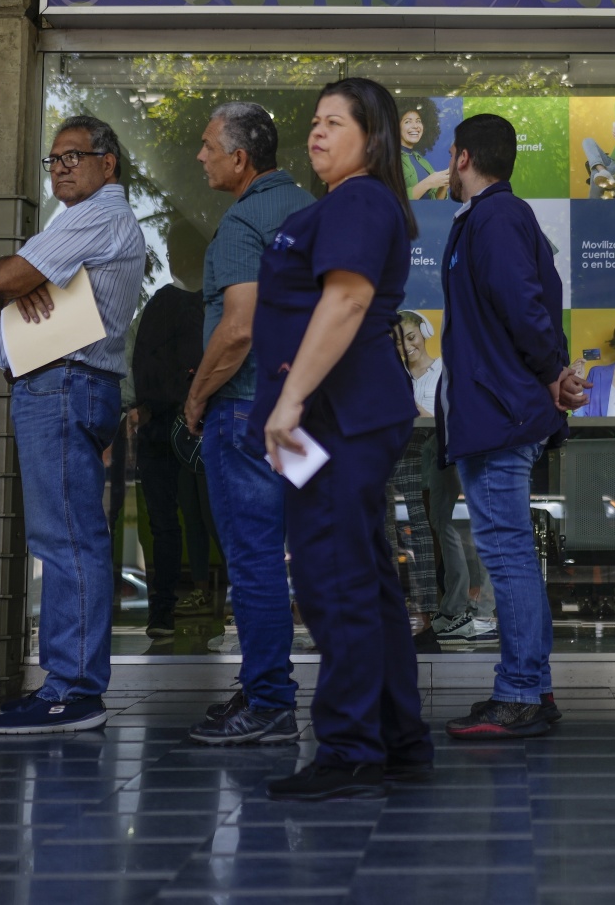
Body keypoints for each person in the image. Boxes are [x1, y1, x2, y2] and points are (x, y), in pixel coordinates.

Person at [253, 77, 431, 800]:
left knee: (333, 579)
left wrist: (291, 399)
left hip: (337, 416)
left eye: (335, 122)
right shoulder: (347, 202)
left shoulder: (358, 200)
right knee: (363, 577)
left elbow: (349, 298)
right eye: (315, 122)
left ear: (373, 136)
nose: (317, 133)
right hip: (344, 414)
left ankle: (351, 748)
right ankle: (395, 737)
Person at [0, 116, 146, 734]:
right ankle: (68, 684)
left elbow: (7, 277)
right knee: (67, 537)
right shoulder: (77, 219)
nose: (59, 169)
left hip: (63, 385)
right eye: (53, 160)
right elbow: (17, 282)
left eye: (72, 156)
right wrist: (23, 278)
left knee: (67, 540)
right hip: (63, 385)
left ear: (108, 163)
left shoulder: (97, 215)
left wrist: (19, 276)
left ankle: (72, 691)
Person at [437, 112, 586, 740]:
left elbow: (524, 305)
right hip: (497, 409)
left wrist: (552, 371)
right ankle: (531, 686)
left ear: (463, 157)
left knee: (506, 553)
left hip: (500, 413)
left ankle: (521, 691)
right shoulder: (492, 216)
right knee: (509, 552)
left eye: (450, 156)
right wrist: (552, 372)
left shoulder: (496, 216)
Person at [183, 101, 312, 747]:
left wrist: (195, 397)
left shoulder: (242, 222)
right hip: (304, 412)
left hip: (243, 409)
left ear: (239, 157)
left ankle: (268, 701)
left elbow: (237, 329)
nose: (200, 156)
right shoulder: (310, 209)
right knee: (309, 552)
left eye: (209, 146)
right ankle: (266, 682)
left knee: (255, 558)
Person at [126, 249, 211, 638]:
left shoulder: (159, 306)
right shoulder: (206, 306)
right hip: (194, 423)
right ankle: (175, 606)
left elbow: (135, 361)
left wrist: (137, 407)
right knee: (204, 519)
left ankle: (163, 610)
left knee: (168, 523)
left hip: (163, 424)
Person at [398, 312, 496, 640]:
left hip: (452, 451)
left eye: (411, 336)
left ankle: (480, 613)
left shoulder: (445, 369)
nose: (406, 346)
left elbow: (451, 415)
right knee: (441, 526)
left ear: (424, 333)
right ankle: (454, 607)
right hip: (418, 461)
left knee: (463, 528)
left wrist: (412, 408)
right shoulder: (397, 375)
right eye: (399, 340)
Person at [399, 101, 450, 200]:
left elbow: (435, 202)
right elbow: (391, 199)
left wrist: (444, 185)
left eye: (418, 121)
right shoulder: (389, 159)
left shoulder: (422, 162)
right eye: (408, 122)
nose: (415, 126)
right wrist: (428, 183)